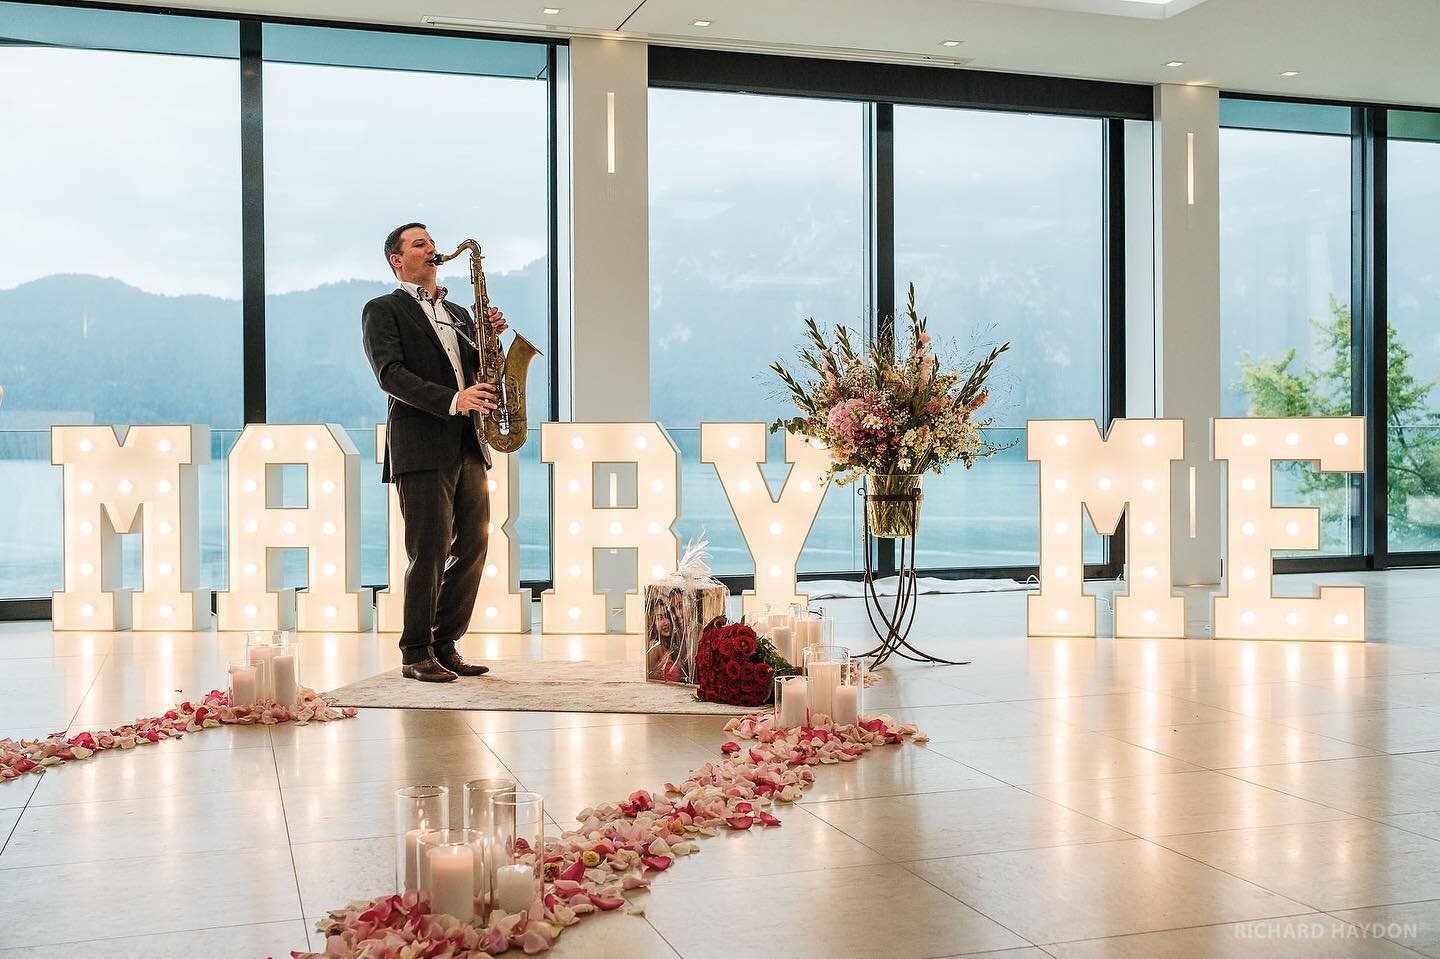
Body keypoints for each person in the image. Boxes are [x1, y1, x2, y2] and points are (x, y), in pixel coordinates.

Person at [362, 222, 508, 683]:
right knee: (428, 551)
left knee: (474, 546)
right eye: (419, 244)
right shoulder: (382, 309)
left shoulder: (461, 314)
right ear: (397, 260)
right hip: (421, 445)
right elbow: (390, 374)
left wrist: (493, 340)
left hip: (469, 442)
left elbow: (485, 372)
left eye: (431, 242)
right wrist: (453, 400)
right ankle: (415, 652)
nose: (432, 249)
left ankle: (445, 644)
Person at [645, 595, 682, 683]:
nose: (666, 622)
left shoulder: (671, 646)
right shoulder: (654, 647)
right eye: (660, 618)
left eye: (667, 617)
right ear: (652, 624)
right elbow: (648, 681)